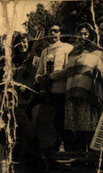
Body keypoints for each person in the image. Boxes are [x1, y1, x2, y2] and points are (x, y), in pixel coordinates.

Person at [49, 22, 103, 151]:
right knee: (77, 130)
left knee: (90, 129)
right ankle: (80, 162)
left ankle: (92, 163)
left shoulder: (98, 52)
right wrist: (49, 76)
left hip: (88, 96)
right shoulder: (73, 53)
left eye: (85, 34)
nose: (82, 37)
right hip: (72, 96)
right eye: (80, 34)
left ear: (91, 35)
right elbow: (66, 71)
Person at [35, 22, 74, 151]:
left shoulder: (67, 48)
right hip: (48, 93)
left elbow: (69, 70)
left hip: (62, 93)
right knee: (51, 124)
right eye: (50, 31)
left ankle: (70, 153)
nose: (53, 34)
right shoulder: (44, 52)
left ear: (60, 33)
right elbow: (38, 73)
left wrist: (51, 77)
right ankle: (54, 154)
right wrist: (40, 78)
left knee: (64, 124)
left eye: (56, 31)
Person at [12, 32, 39, 111]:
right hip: (18, 96)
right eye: (19, 42)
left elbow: (38, 79)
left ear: (29, 43)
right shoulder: (15, 62)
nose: (21, 44)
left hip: (32, 97)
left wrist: (27, 86)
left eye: (24, 42)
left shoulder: (37, 60)